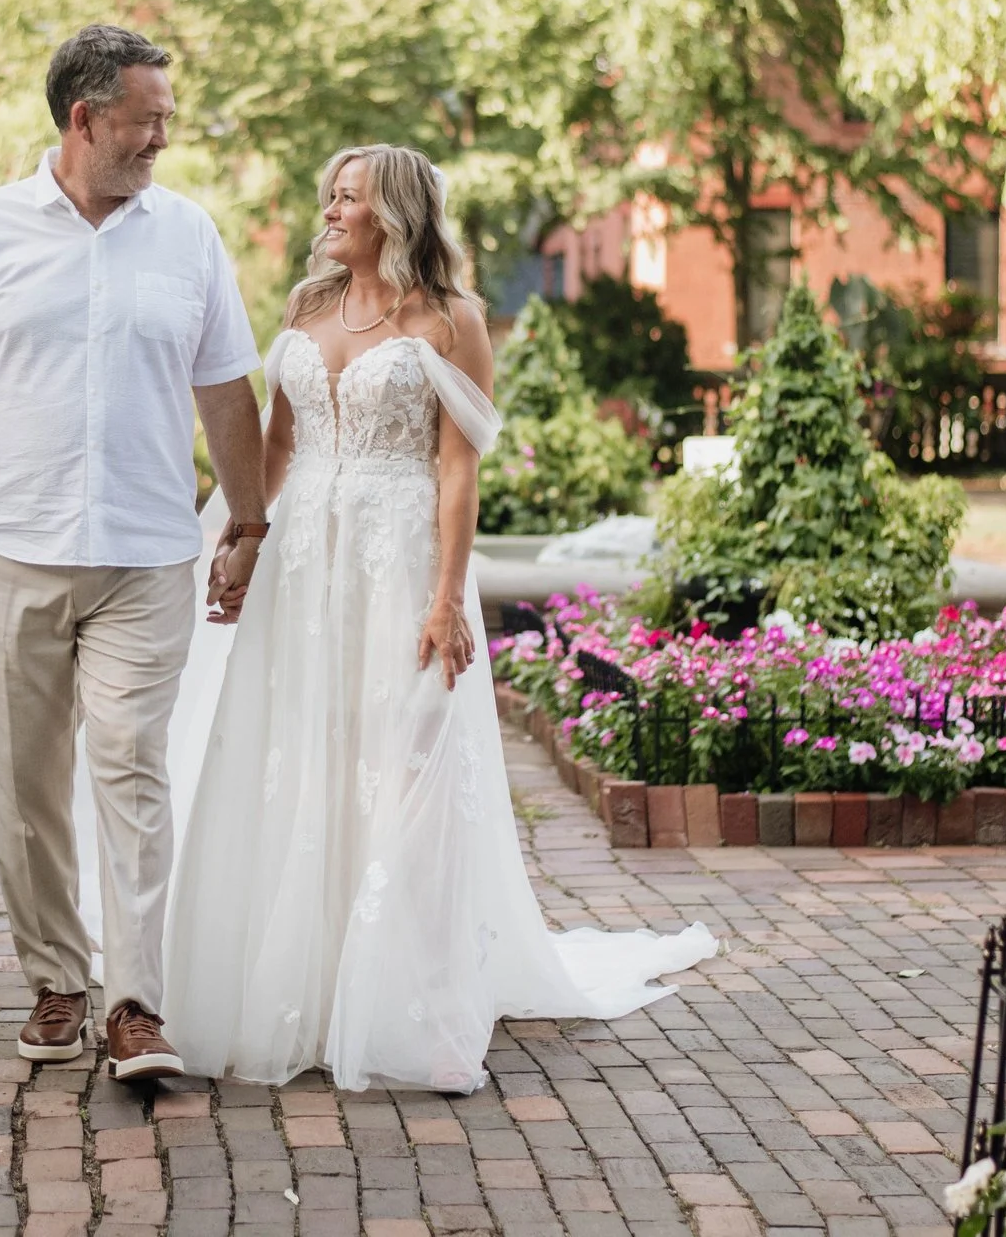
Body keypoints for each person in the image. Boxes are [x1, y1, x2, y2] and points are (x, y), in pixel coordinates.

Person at [156, 144, 717, 1092]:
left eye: (350, 197)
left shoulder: (452, 320)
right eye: (327, 192)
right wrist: (243, 534)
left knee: (402, 758)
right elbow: (278, 440)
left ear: (397, 215)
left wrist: (448, 595)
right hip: (302, 563)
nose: (330, 210)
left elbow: (460, 469)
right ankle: (306, 979)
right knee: (304, 750)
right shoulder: (304, 307)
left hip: (398, 560)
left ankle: (400, 997)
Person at [0, 24, 269, 1080]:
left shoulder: (188, 235)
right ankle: (58, 978)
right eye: (145, 120)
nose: (160, 139)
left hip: (145, 553)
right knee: (28, 784)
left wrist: (247, 524)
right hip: (9, 543)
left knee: (133, 768)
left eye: (166, 120)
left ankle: (135, 1005)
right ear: (83, 117)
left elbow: (227, 388)